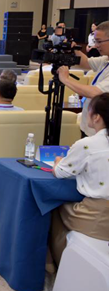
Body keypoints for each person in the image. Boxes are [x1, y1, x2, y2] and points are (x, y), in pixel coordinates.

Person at [50, 93, 109, 265]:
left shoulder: (87, 144)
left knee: (50, 209)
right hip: (100, 214)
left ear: (96, 117)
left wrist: (58, 161)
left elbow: (60, 172)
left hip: (96, 214)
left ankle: (57, 266)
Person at [58, 21, 109, 136]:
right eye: (95, 41)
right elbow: (86, 63)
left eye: (99, 41)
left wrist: (66, 80)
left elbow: (96, 93)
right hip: (90, 126)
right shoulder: (105, 60)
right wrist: (74, 49)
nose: (96, 45)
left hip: (100, 133)